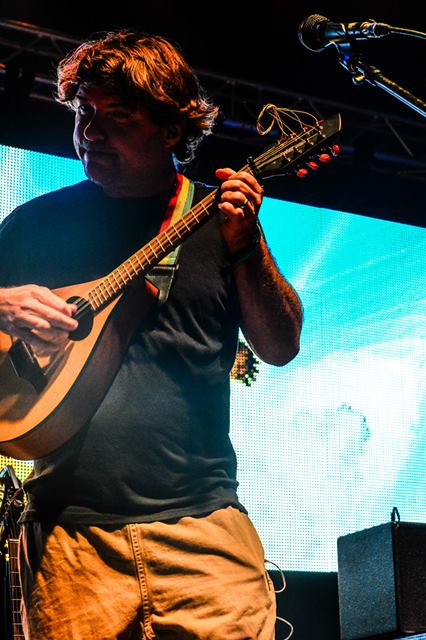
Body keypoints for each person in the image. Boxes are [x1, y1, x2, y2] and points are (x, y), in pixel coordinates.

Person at [0, 31, 302, 638]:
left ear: (170, 129)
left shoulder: (218, 226)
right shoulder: (35, 224)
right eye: (85, 114)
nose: (91, 132)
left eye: (118, 115)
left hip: (205, 532)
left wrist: (251, 246)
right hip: (68, 539)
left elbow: (280, 346)